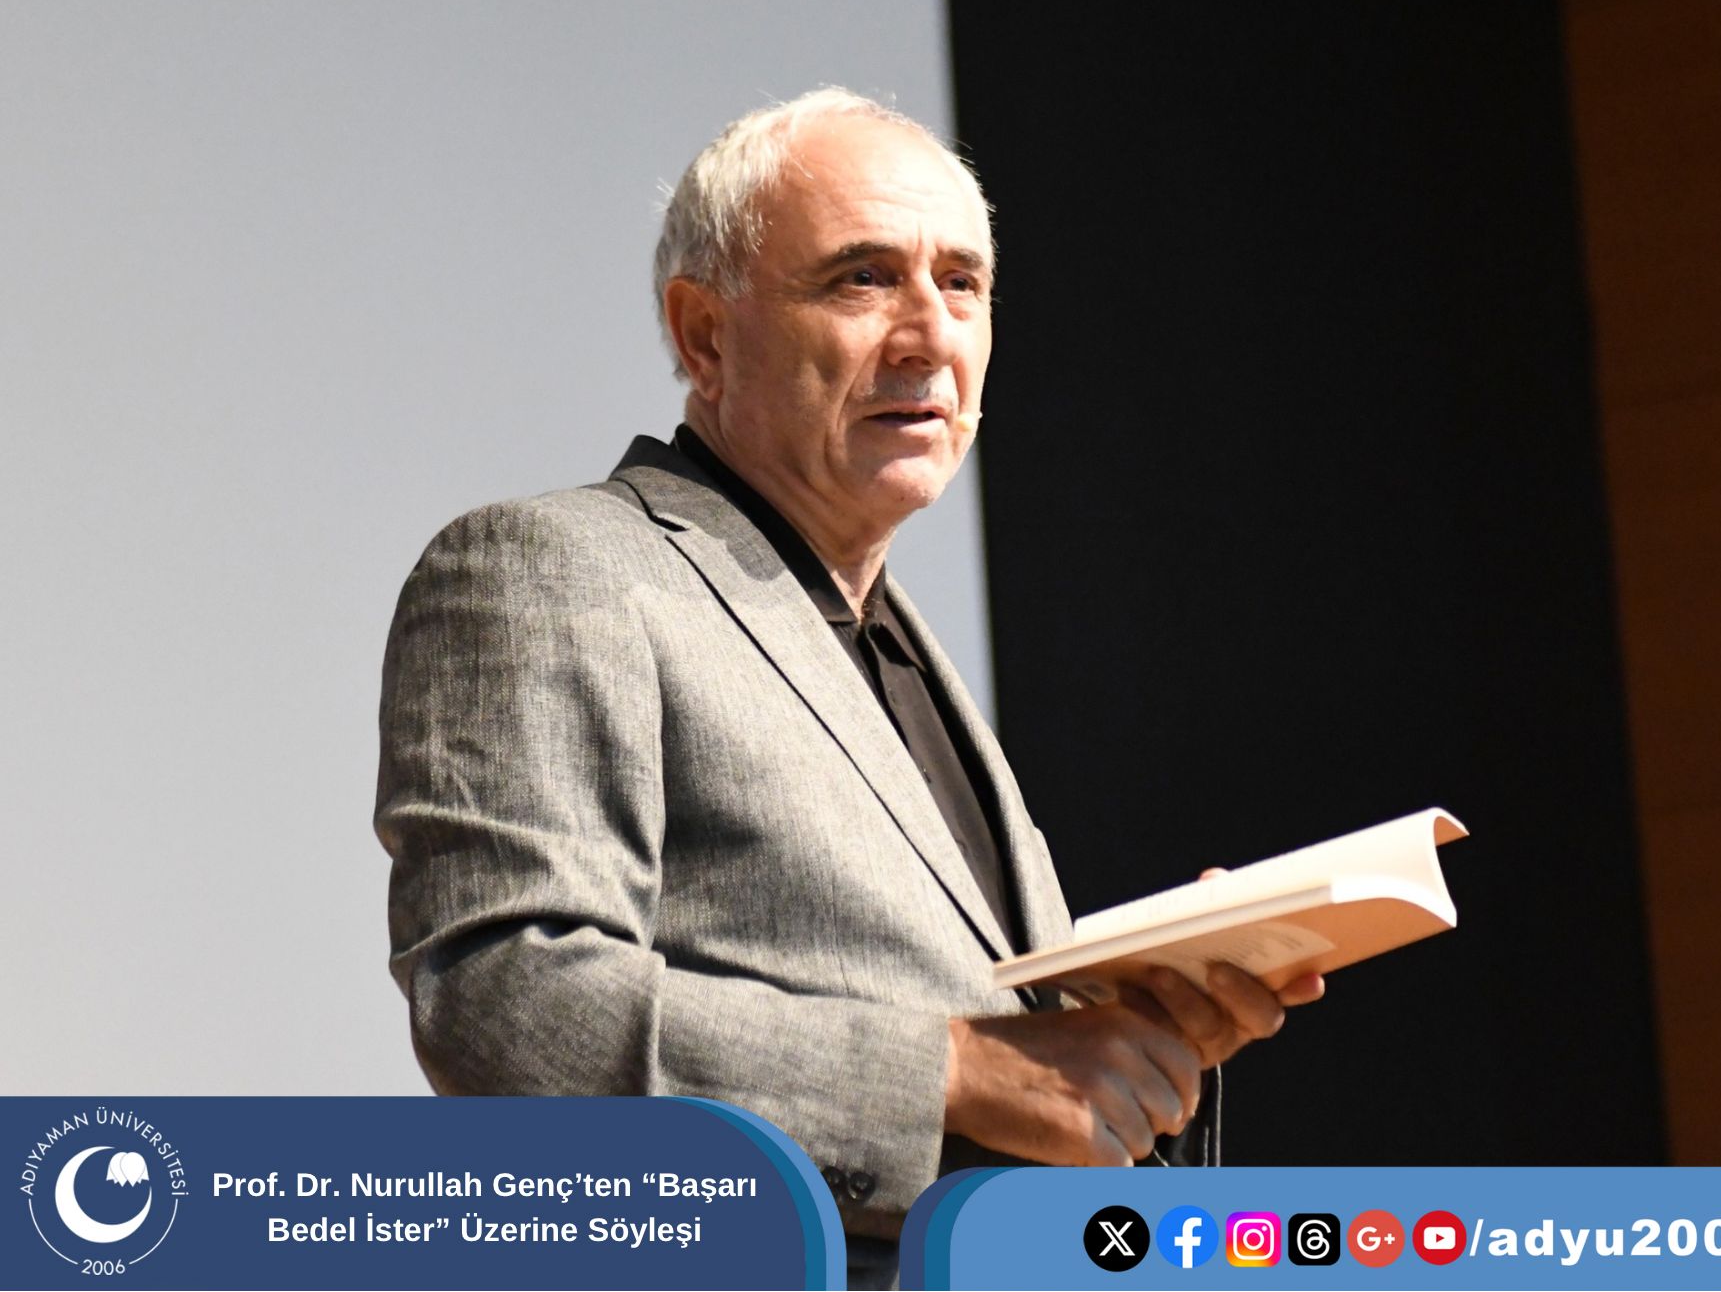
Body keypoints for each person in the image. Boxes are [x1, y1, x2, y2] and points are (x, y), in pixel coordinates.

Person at [374, 89, 1323, 1263]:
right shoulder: (555, 567)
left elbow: (975, 1042)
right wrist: (955, 1071)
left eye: (961, 283)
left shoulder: (894, 633)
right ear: (703, 335)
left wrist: (1129, 1035)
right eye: (862, 279)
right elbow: (507, 1002)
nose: (928, 335)